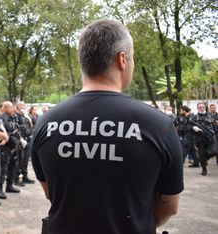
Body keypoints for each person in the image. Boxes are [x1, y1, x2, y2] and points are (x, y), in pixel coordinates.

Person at [31, 19, 183, 234]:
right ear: (122, 59)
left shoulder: (46, 122)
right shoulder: (159, 125)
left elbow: (51, 193)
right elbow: (169, 206)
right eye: (132, 58)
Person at [0, 101, 21, 199]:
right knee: (3, 168)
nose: (13, 109)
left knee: (13, 166)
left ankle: (9, 185)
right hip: (5, 147)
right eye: (11, 107)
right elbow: (4, 132)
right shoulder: (1, 118)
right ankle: (0, 189)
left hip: (13, 146)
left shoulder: (13, 118)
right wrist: (12, 139)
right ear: (5, 108)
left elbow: (15, 129)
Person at [190, 102, 217, 175]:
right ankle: (204, 169)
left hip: (210, 137)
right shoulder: (194, 117)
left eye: (203, 107)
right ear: (197, 108)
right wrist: (193, 127)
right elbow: (189, 125)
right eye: (200, 107)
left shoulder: (210, 115)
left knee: (215, 151)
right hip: (200, 139)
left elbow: (214, 124)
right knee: (201, 154)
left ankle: (205, 158)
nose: (202, 108)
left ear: (205, 108)